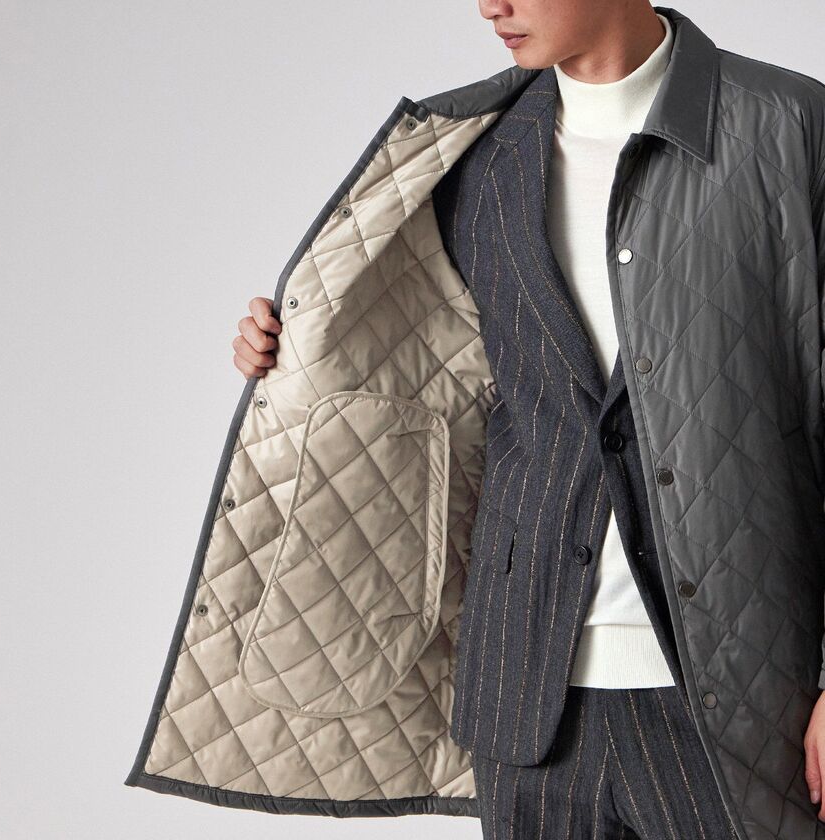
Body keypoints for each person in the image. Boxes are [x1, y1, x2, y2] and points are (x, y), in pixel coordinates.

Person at [229, 2, 825, 836]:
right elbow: (429, 374)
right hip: (527, 694)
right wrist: (290, 349)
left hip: (744, 698)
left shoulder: (787, 125)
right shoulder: (470, 151)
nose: (490, 5)